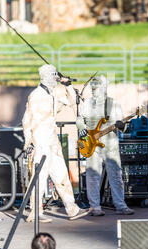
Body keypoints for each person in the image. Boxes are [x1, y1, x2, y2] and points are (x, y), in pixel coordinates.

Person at [22, 64, 90, 223]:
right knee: (39, 179)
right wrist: (29, 142)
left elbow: (73, 102)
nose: (55, 78)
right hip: (40, 142)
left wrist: (68, 86)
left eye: (55, 75)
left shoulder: (52, 94)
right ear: (45, 76)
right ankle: (35, 213)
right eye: (53, 75)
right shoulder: (36, 95)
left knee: (62, 174)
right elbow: (26, 120)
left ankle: (72, 208)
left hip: (53, 142)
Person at [75, 75, 134, 217]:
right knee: (92, 175)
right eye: (92, 86)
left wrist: (122, 126)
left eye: (96, 85)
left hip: (111, 145)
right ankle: (95, 206)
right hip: (92, 145)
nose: (94, 88)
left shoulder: (114, 104)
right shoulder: (87, 104)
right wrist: (81, 127)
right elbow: (79, 119)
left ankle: (120, 205)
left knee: (116, 175)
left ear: (104, 87)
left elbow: (124, 128)